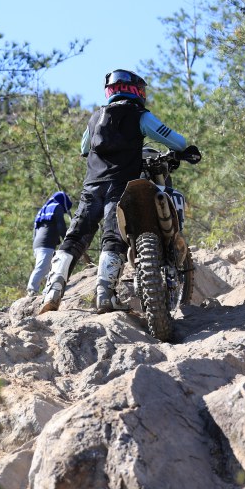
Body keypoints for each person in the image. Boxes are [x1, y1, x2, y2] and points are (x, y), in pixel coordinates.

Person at [39, 69, 195, 315]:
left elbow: (83, 148)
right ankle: (105, 295)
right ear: (134, 91)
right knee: (113, 237)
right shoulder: (139, 116)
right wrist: (182, 148)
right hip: (121, 184)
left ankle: (53, 291)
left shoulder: (95, 118)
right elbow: (176, 141)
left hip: (92, 185)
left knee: (76, 235)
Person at [27, 191, 73, 297]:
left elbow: (37, 231)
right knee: (42, 267)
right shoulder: (57, 207)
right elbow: (61, 226)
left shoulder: (43, 210)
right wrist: (68, 239)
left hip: (38, 244)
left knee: (50, 268)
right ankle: (32, 290)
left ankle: (47, 289)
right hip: (45, 244)